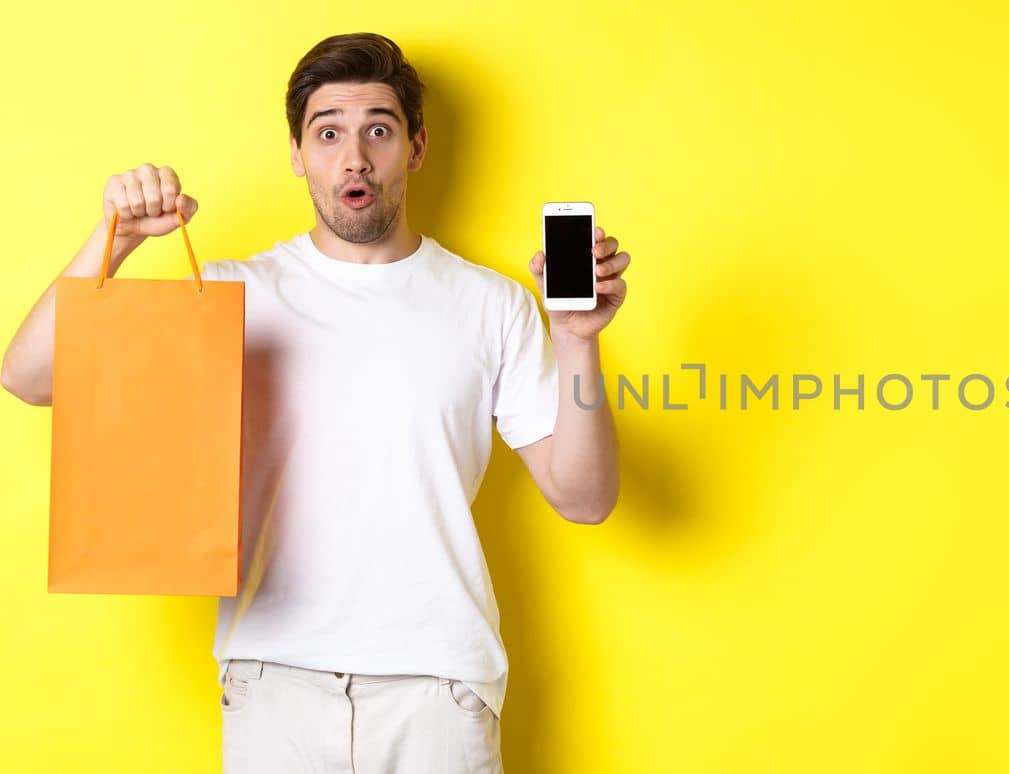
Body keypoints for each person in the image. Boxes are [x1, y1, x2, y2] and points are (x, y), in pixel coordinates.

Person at [0, 32, 629, 773]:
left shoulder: (492, 305)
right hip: (273, 686)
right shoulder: (233, 296)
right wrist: (116, 240)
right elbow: (31, 377)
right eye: (328, 133)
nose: (354, 156)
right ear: (298, 153)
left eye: (379, 130)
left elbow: (585, 498)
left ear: (416, 148)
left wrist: (578, 339)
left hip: (438, 693)